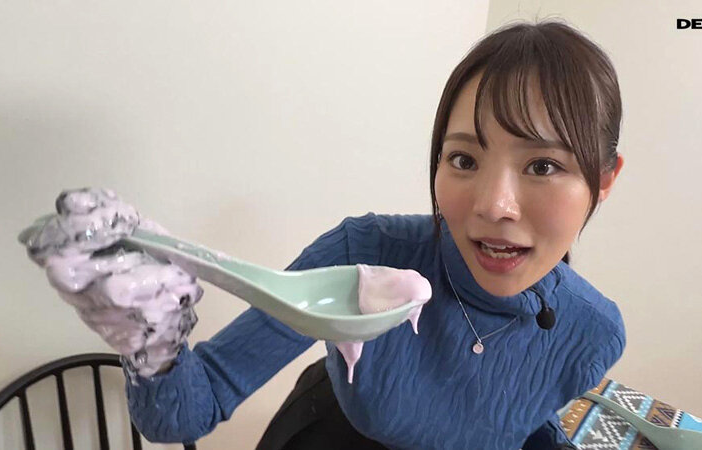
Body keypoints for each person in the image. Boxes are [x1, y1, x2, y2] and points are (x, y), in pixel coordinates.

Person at [43, 20, 627, 449]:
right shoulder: (365, 255)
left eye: (542, 165)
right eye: (463, 160)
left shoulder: (594, 332)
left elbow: (520, 420)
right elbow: (188, 409)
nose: (493, 205)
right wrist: (152, 343)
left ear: (603, 181)